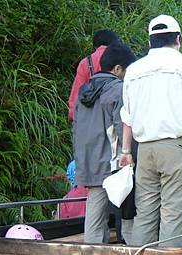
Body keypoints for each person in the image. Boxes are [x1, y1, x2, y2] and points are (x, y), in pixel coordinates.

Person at [119, 15, 182, 247]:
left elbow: (127, 117)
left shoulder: (134, 70)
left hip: (144, 149)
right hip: (175, 146)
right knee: (173, 212)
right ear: (178, 39)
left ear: (150, 42)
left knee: (146, 213)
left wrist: (126, 151)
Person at [73, 43, 136, 243]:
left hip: (88, 161)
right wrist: (130, 153)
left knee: (94, 218)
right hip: (113, 162)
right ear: (118, 69)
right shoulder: (117, 89)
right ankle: (130, 254)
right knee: (127, 212)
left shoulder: (84, 91)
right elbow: (122, 125)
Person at [68, 30, 120, 122]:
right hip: (114, 116)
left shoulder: (86, 62)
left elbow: (77, 93)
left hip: (90, 120)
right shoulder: (121, 60)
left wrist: (73, 115)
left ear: (95, 45)